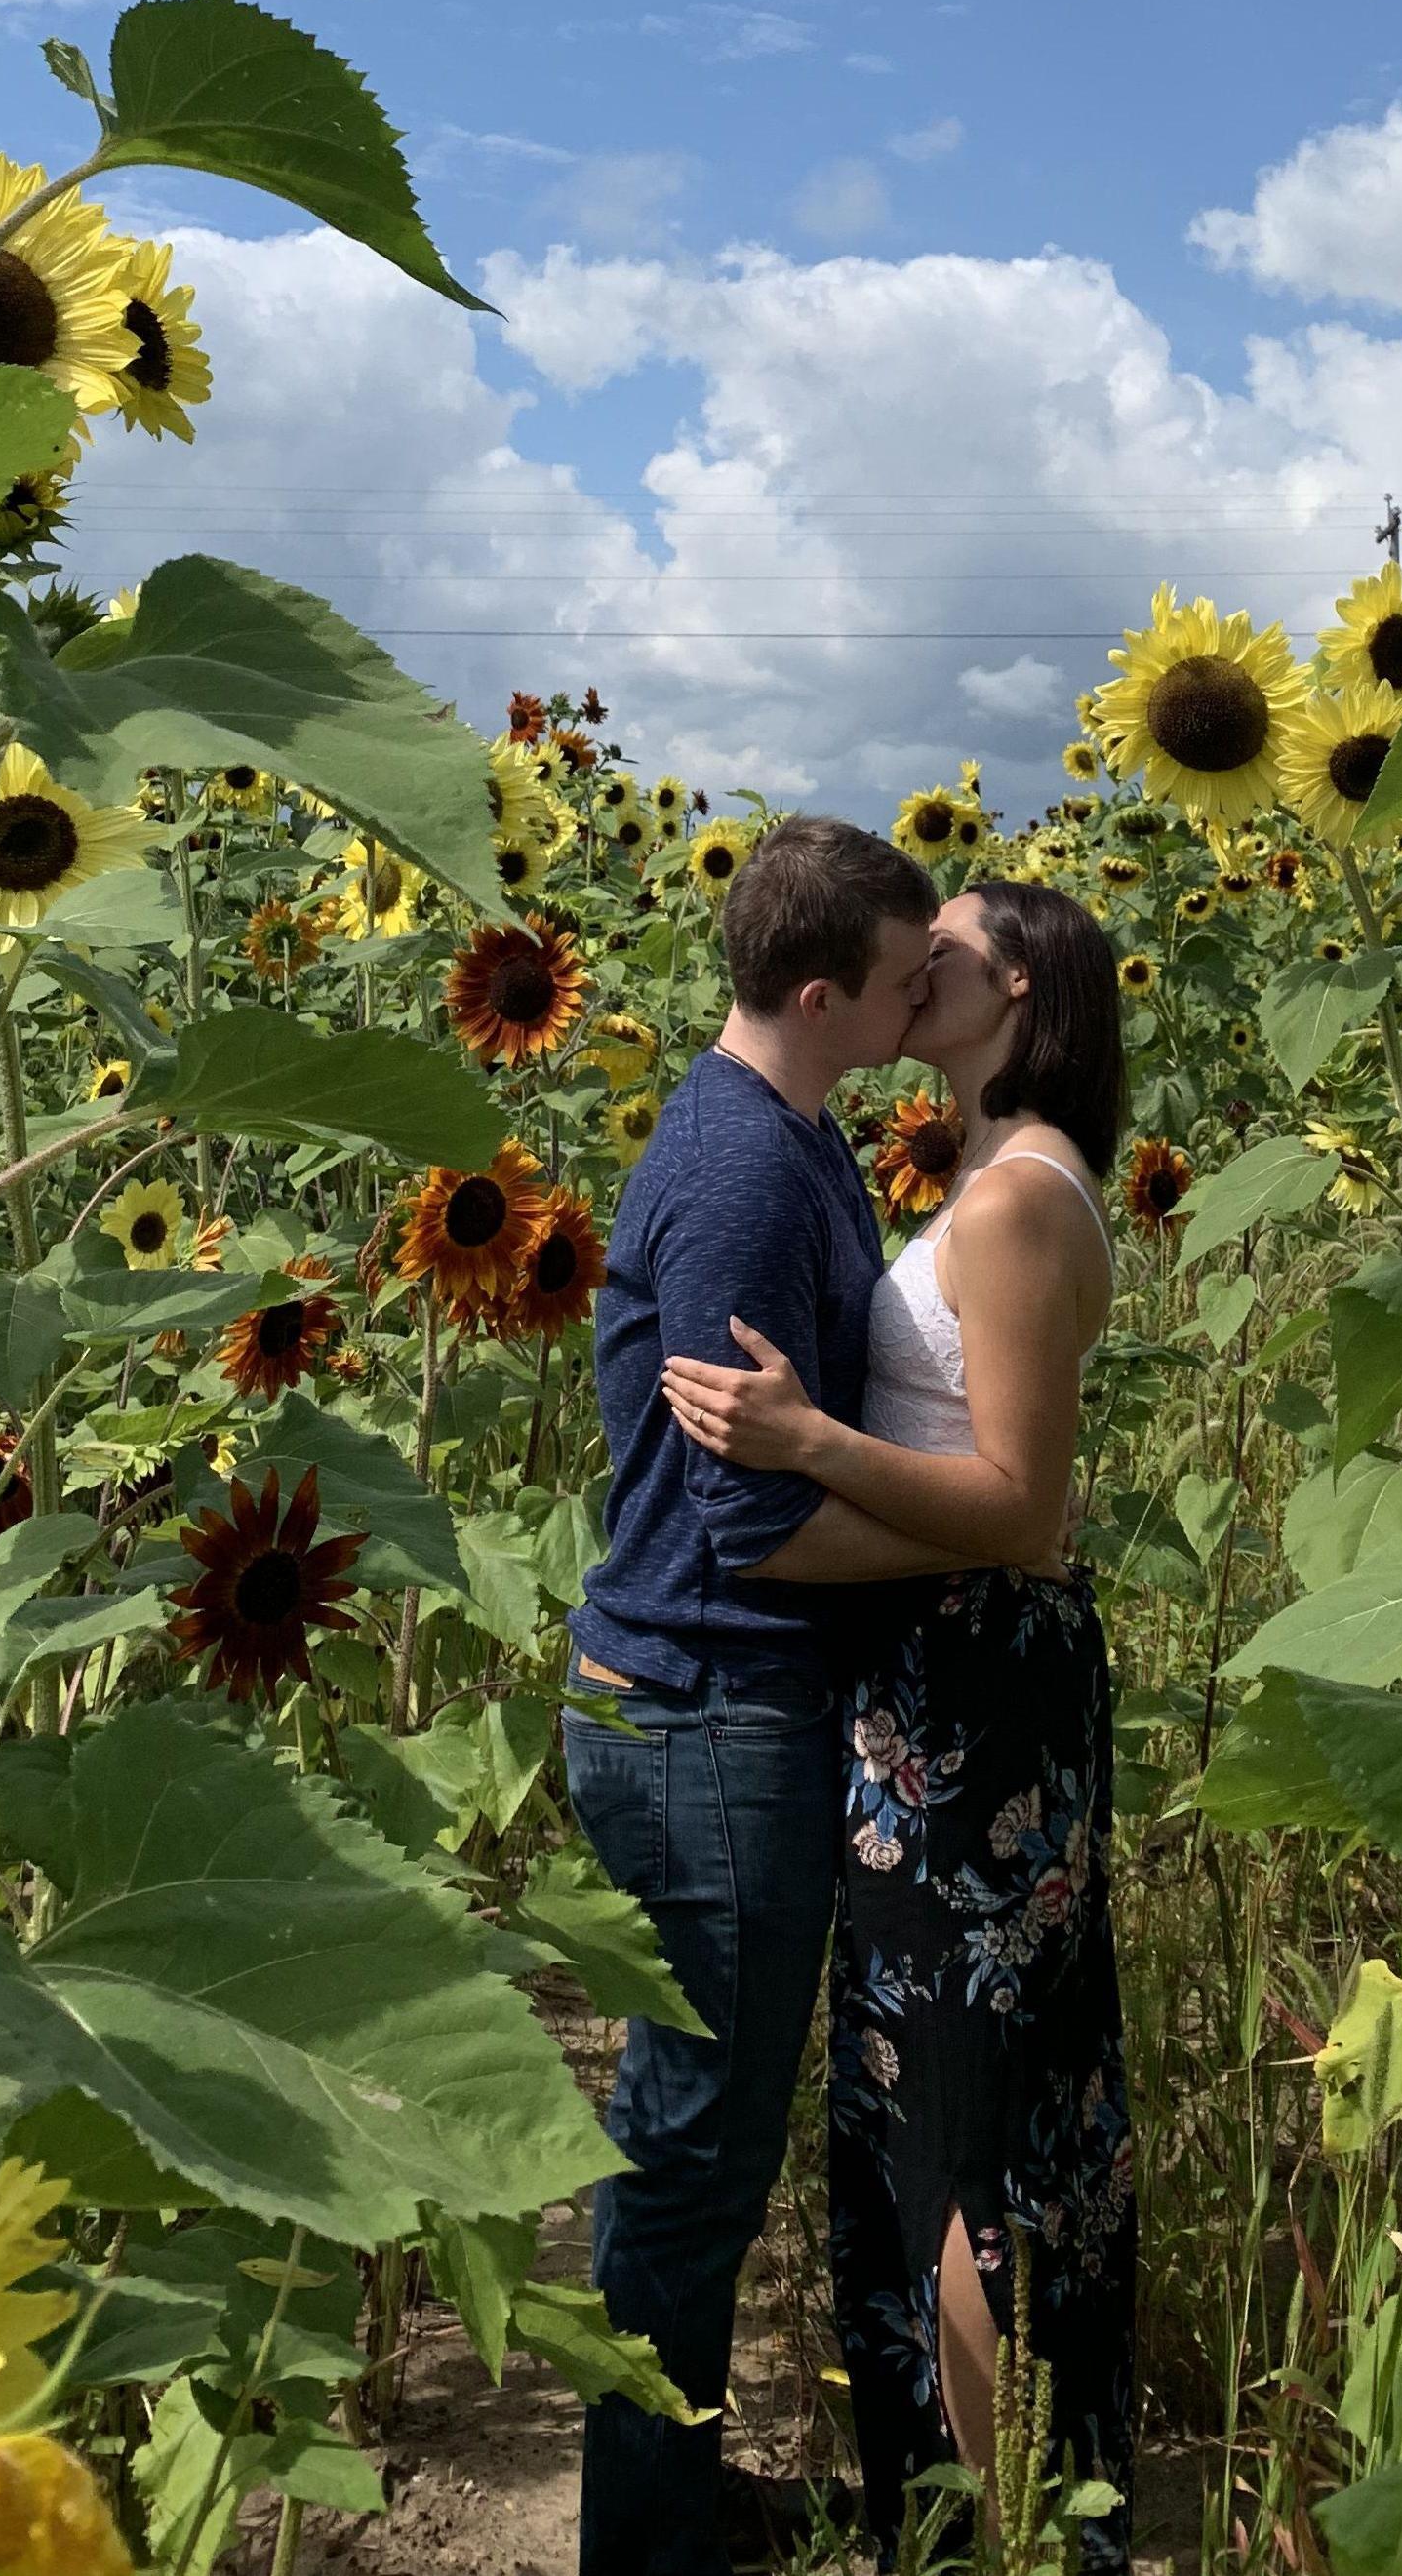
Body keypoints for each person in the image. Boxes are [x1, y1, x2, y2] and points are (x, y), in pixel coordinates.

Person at [661, 879, 1135, 2574]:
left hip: (971, 1685)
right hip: (954, 1674)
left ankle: (982, 2539)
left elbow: (1020, 1504)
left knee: (956, 2127)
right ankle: (995, 2522)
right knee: (984, 2102)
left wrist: (802, 1448)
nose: (908, 968)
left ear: (1015, 984)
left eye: (938, 950)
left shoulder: (1014, 1203)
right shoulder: (989, 1176)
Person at [568, 815, 966, 2576]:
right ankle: (638, 2544)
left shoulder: (777, 1130)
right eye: (895, 983)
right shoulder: (741, 1168)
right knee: (695, 2154)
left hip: (708, 1704)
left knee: (701, 2133)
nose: (915, 1004)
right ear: (818, 993)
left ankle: (664, 2491)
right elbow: (747, 1528)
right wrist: (975, 1547)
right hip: (703, 1703)